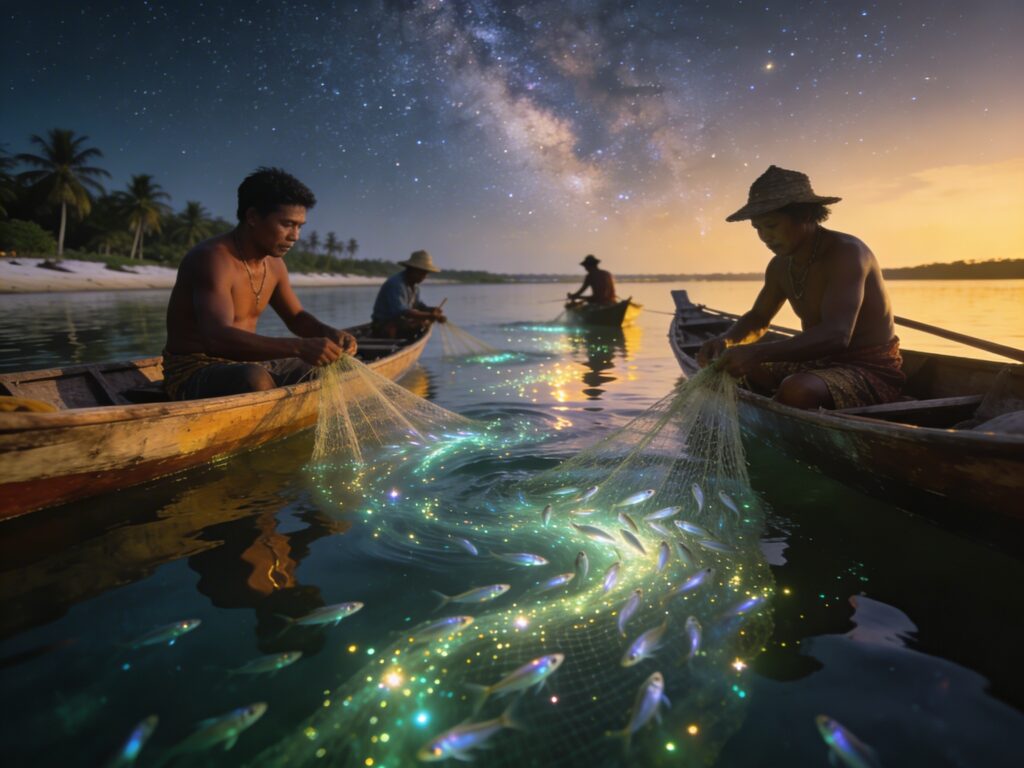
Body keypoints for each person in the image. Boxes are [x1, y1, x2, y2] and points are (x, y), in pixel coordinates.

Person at [697, 165, 905, 410]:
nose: (765, 237)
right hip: (815, 363)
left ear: (805, 215)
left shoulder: (847, 253)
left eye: (771, 226)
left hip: (867, 368)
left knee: (797, 389)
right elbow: (759, 317)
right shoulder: (779, 265)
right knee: (726, 369)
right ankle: (777, 403)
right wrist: (727, 339)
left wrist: (759, 353)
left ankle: (784, 403)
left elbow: (837, 335)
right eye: (758, 229)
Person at [162, 167, 357, 400]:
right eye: (287, 224)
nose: (295, 236)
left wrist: (329, 333)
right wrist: (299, 347)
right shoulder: (213, 258)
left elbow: (296, 318)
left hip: (244, 363)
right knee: (253, 379)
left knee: (330, 368)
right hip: (193, 370)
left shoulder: (274, 265)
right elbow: (216, 338)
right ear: (253, 217)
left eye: (300, 226)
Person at [371, 250, 447, 338]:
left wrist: (431, 310)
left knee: (421, 324)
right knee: (419, 325)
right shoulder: (396, 284)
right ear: (411, 269)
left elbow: (417, 305)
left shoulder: (415, 286)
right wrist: (429, 316)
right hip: (383, 326)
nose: (424, 277)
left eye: (425, 273)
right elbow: (402, 312)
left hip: (398, 322)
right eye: (421, 273)